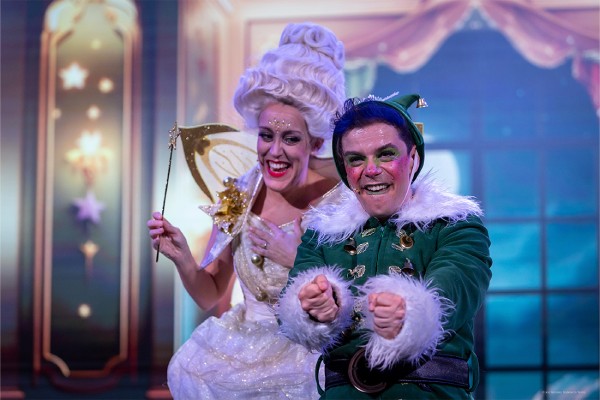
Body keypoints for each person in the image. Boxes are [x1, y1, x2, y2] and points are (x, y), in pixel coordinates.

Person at [147, 22, 346, 399]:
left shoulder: (342, 204)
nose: (274, 151)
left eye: (290, 138)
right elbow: (209, 294)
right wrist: (184, 259)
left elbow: (357, 301)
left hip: (311, 358)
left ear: (315, 142)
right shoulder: (239, 193)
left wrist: (298, 259)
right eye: (266, 135)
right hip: (238, 352)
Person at [277, 93, 493, 399]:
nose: (371, 170)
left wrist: (409, 313)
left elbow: (454, 289)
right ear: (345, 169)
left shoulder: (455, 225)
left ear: (413, 158)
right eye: (356, 159)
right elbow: (294, 302)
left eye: (386, 154)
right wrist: (314, 308)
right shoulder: (321, 235)